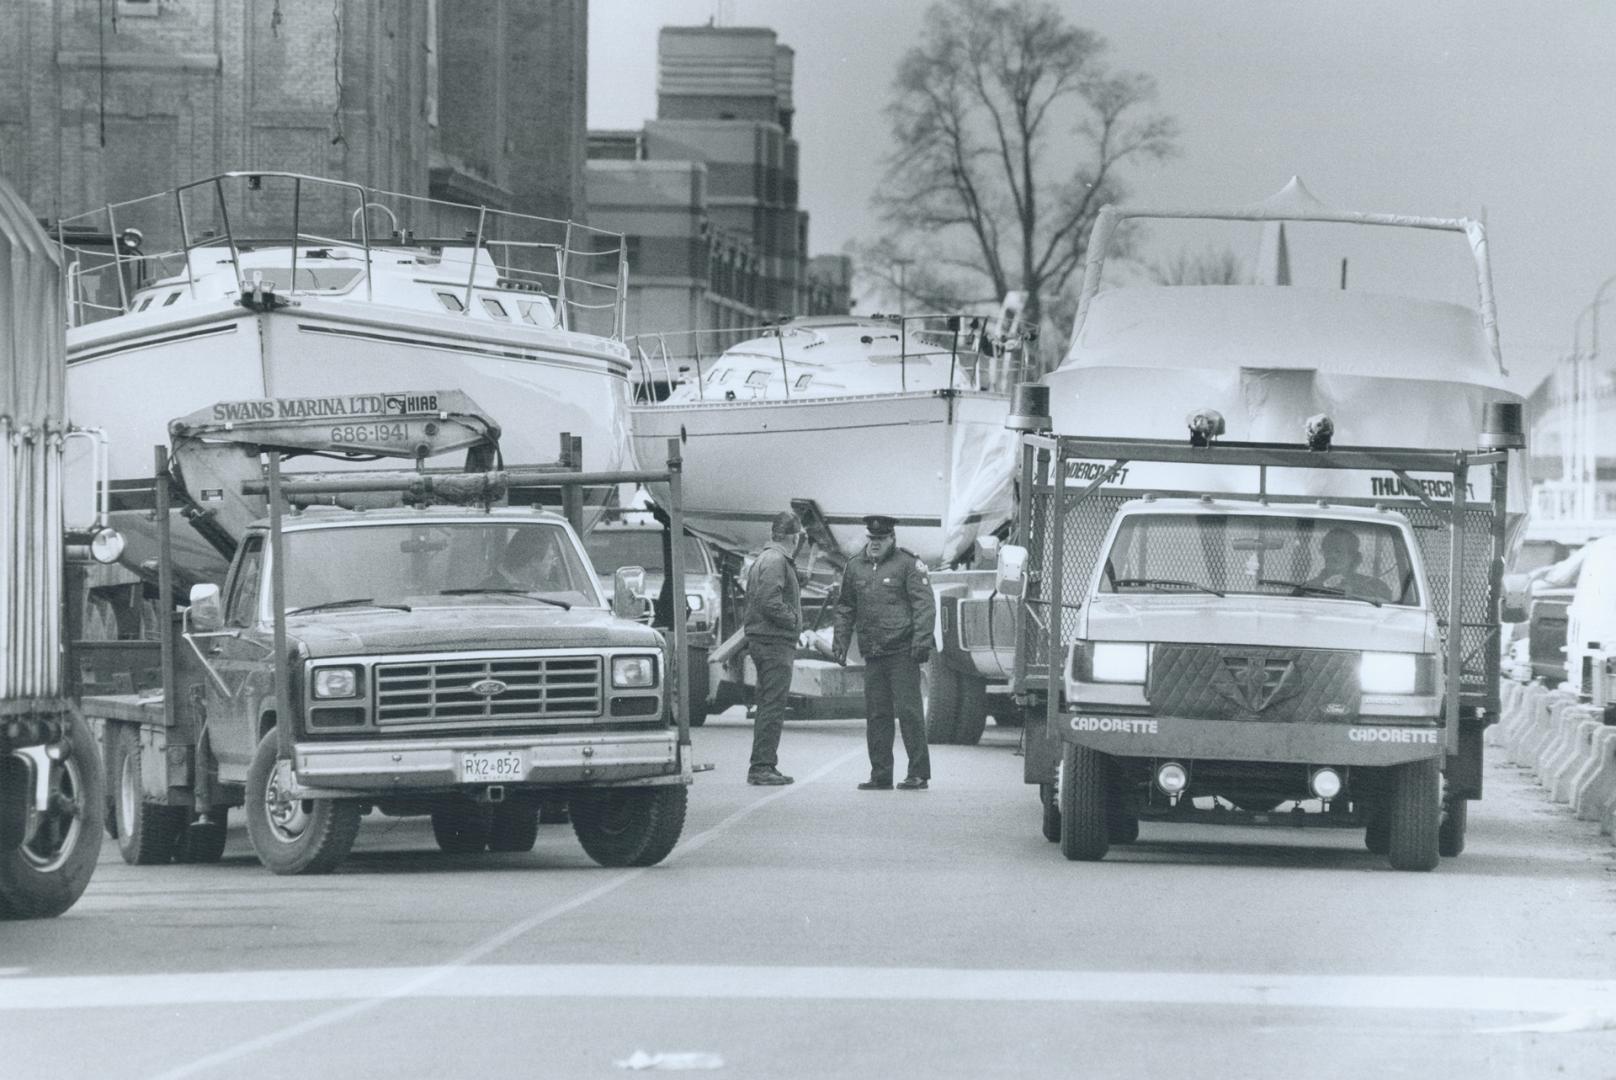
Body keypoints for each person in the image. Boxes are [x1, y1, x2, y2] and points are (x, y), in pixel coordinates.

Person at [833, 514, 935, 791]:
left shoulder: (908, 564)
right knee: (877, 715)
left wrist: (921, 643)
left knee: (910, 713)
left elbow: (924, 605)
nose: (875, 543)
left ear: (892, 538)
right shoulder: (855, 566)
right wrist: (840, 639)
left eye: (881, 539)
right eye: (872, 538)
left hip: (902, 651)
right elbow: (845, 607)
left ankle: (918, 774)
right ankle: (880, 774)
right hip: (874, 652)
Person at [742, 511, 805, 786]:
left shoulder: (765, 559)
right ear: (794, 537)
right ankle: (762, 766)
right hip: (774, 642)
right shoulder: (777, 560)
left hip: (764, 640)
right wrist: (792, 621)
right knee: (772, 705)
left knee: (768, 703)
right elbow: (769, 600)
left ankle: (764, 763)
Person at [1305, 527, 1392, 602]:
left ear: (1353, 556)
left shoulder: (1375, 586)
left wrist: (1353, 593)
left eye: (1338, 551)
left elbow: (1385, 605)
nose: (1331, 555)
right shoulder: (1310, 586)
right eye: (1327, 550)